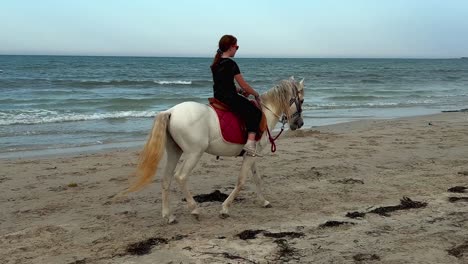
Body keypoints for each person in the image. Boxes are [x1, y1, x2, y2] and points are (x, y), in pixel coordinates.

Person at [210, 35, 263, 157]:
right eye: (236, 47)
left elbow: (223, 83)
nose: (236, 49)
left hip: (218, 97)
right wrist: (255, 94)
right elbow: (244, 85)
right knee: (255, 112)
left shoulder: (216, 63)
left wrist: (238, 91)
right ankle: (250, 143)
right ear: (230, 47)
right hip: (229, 98)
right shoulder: (231, 64)